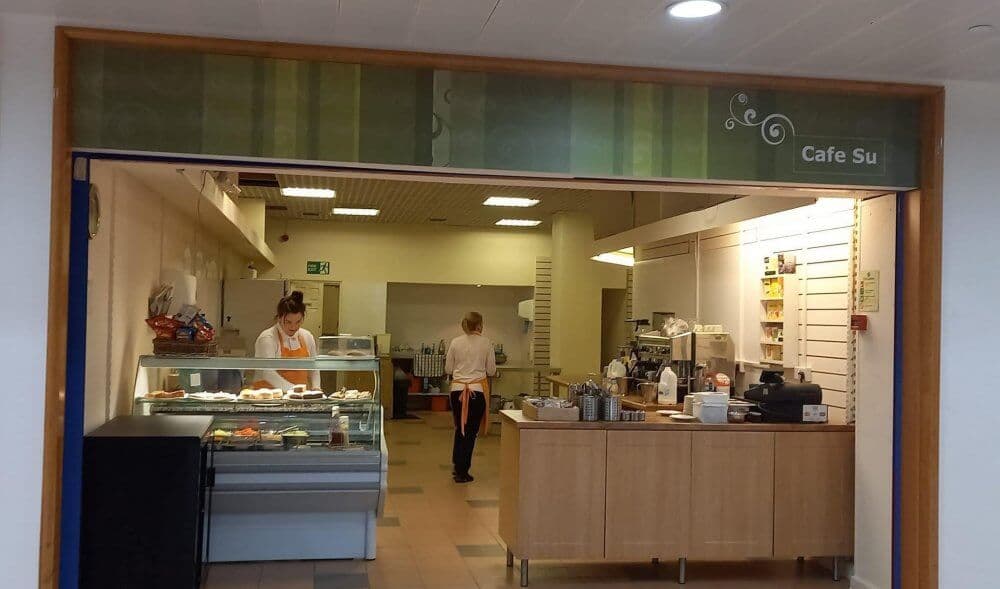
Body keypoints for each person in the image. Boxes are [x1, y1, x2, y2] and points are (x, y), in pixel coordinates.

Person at [444, 311, 497, 483]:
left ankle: (457, 465)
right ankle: (462, 471)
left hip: (457, 390)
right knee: (471, 432)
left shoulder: (455, 342)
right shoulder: (486, 343)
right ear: (480, 325)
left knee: (460, 428)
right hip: (476, 391)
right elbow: (491, 371)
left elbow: (448, 369)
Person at [252, 291, 320, 390]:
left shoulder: (307, 336)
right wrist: (294, 390)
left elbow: (314, 368)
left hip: (298, 399)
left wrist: (316, 388)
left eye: (298, 322)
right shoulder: (267, 338)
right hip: (270, 399)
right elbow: (267, 373)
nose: (293, 327)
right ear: (279, 317)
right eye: (288, 322)